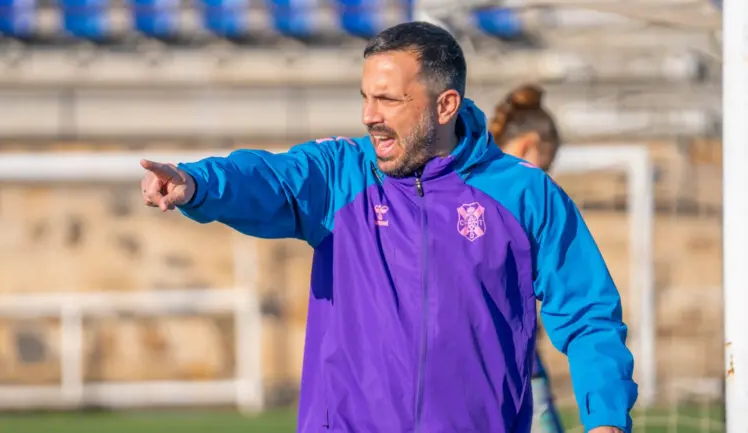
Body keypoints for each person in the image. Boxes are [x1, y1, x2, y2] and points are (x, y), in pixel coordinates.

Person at [139, 22, 638, 433]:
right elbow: (270, 178)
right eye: (365, 97)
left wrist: (606, 420)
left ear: (445, 106)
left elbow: (589, 312)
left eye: (389, 101)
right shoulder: (341, 175)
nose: (368, 116)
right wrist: (198, 182)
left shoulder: (525, 195)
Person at [489, 83, 565, 433]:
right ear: (530, 145)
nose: (546, 177)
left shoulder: (460, 189)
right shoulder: (521, 197)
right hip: (512, 371)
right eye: (545, 165)